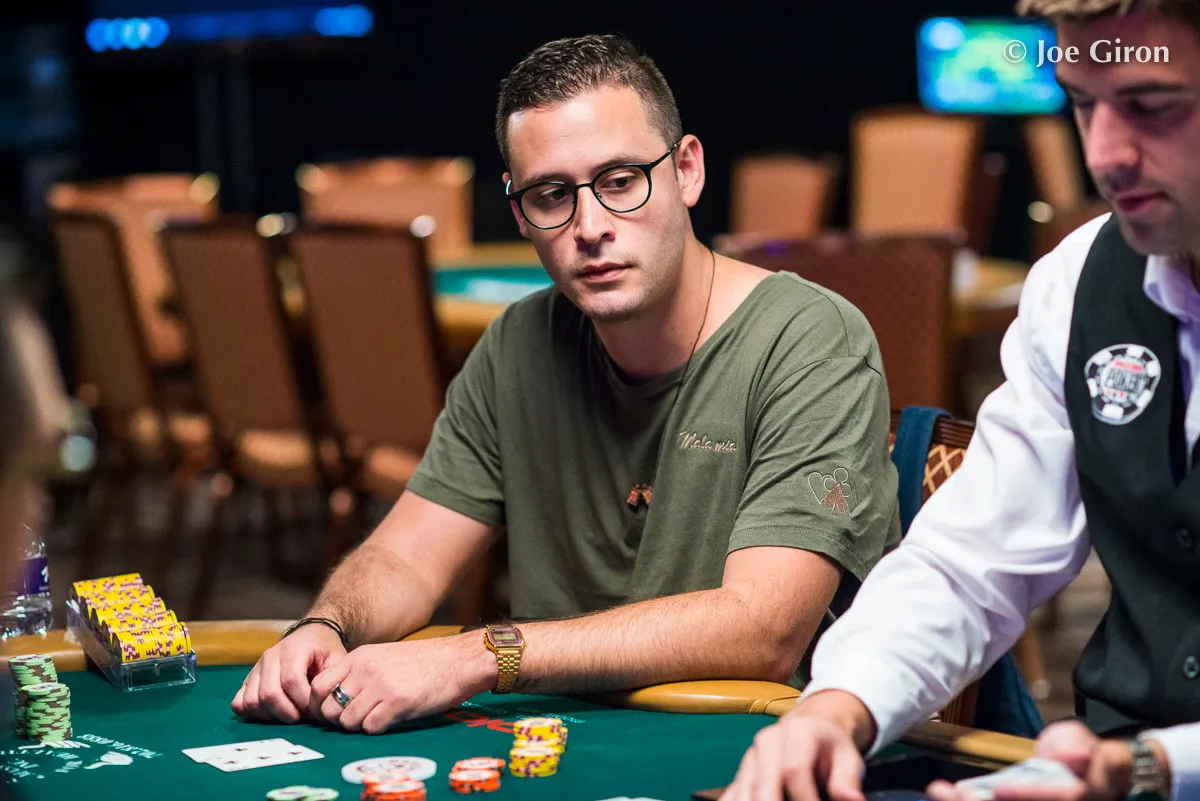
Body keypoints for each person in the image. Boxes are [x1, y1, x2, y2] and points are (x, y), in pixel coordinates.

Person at [232, 34, 900, 734]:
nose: (590, 227)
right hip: (560, 742)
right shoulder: (516, 344)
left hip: (758, 747)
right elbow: (405, 557)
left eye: (620, 181)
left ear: (687, 171)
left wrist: (481, 655)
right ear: (520, 212)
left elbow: (765, 628)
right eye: (552, 195)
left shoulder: (812, 339)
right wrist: (327, 625)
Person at [722, 2, 1200, 800]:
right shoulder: (1076, 281)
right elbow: (972, 562)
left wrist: (1151, 766)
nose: (1104, 154)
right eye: (1083, 102)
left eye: (1150, 104)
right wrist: (836, 708)